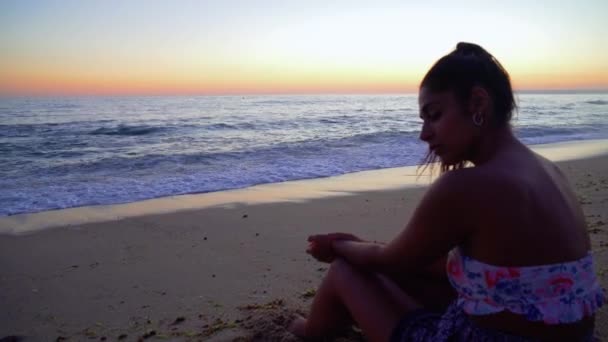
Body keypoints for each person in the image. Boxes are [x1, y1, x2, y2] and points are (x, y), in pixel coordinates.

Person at [288, 42, 605, 341]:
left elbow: (390, 260)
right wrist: (361, 247)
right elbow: (441, 265)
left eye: (434, 115)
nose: (424, 134)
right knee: (407, 271)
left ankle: (309, 330)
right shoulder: (549, 170)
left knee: (345, 272)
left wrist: (341, 247)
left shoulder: (467, 185)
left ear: (478, 103)